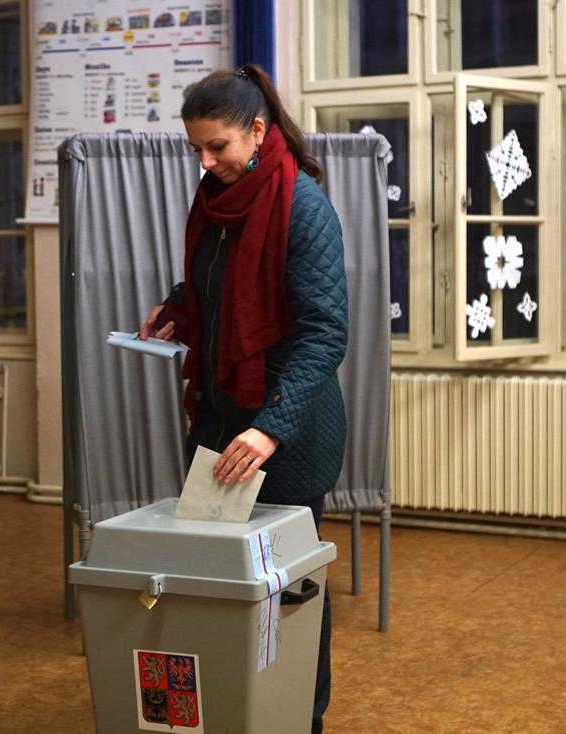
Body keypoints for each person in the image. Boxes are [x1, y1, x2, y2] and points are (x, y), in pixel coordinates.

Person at [138, 64, 347, 734]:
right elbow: (215, 281)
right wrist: (178, 307)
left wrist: (270, 430)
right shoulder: (215, 197)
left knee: (290, 589)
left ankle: (299, 717)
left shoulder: (302, 206)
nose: (205, 161)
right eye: (195, 148)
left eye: (217, 146)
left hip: (288, 433)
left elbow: (324, 332)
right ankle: (235, 706)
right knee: (218, 575)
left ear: (256, 131)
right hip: (222, 418)